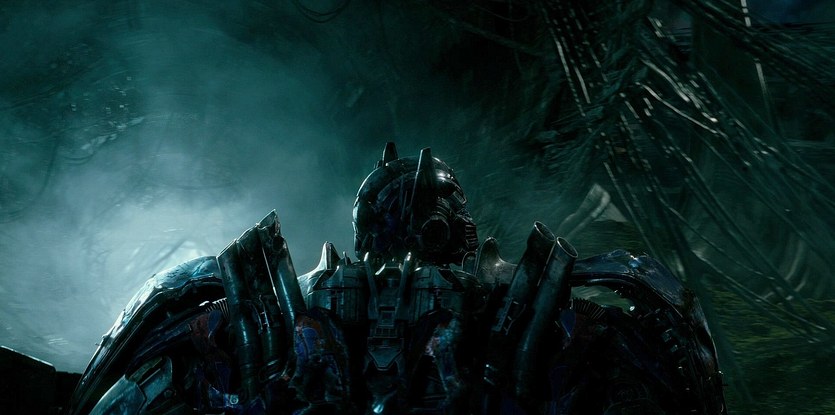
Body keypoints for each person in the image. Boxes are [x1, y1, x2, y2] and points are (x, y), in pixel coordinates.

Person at [66, 143, 727, 414]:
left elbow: (168, 317)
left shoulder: (297, 299)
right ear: (454, 225)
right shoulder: (515, 304)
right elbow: (652, 312)